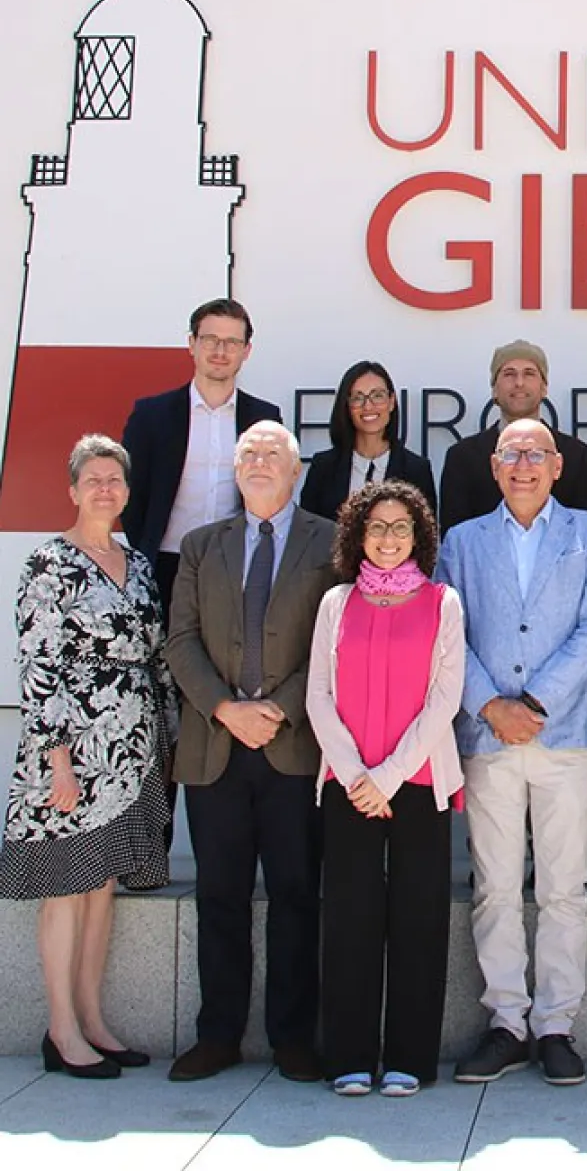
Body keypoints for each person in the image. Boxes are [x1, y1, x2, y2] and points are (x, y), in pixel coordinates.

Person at [438, 419, 587, 1088]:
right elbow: (447, 633)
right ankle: (507, 1022)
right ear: (494, 466)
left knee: (563, 888)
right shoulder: (462, 542)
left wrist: (535, 702)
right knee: (494, 887)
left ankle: (555, 1026)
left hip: (564, 736)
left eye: (536, 453)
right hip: (488, 739)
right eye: (511, 454)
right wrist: (492, 706)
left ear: (557, 466)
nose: (524, 464)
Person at [166, 421, 338, 1083]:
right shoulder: (201, 544)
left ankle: (293, 1038)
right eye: (249, 454)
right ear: (235, 471)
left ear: (296, 471)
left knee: (296, 894)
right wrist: (225, 708)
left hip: (293, 747)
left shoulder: (330, 540)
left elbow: (334, 639)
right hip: (216, 746)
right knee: (220, 895)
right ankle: (219, 1036)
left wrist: (281, 709)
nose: (259, 462)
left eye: (273, 454)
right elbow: (181, 640)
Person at [0, 434, 176, 1078]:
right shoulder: (49, 563)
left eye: (115, 479)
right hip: (73, 752)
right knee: (66, 888)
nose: (105, 488)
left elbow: (156, 655)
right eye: (94, 479)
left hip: (130, 750)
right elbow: (38, 665)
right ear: (73, 490)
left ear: (127, 492)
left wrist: (168, 738)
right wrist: (58, 761)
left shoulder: (137, 562)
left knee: (101, 888)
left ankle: (93, 1020)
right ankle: (62, 1030)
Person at [306, 480, 463, 1096]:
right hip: (350, 788)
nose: (389, 538)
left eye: (401, 527)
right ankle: (349, 1057)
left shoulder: (443, 602)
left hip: (418, 782)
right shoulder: (336, 602)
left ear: (418, 536)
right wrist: (356, 776)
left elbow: (445, 698)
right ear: (358, 535)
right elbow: (318, 695)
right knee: (350, 918)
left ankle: (409, 1059)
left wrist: (390, 776)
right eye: (377, 527)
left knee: (419, 919)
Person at [121, 298, 282, 616]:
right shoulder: (152, 415)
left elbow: (274, 494)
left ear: (246, 351)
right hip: (165, 564)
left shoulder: (264, 418)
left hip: (236, 567)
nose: (220, 351)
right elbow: (130, 493)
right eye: (210, 339)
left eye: (232, 342)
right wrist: (145, 548)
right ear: (192, 343)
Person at [439, 340, 587, 535]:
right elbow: (455, 540)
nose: (519, 383)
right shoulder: (462, 457)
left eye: (529, 373)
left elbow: (586, 534)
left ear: (544, 387)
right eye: (509, 374)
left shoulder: (576, 455)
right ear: (494, 388)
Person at [298, 360, 437, 521]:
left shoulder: (417, 470)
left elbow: (425, 532)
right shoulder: (323, 467)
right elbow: (309, 530)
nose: (368, 406)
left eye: (377, 396)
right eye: (358, 397)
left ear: (391, 402)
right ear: (347, 406)